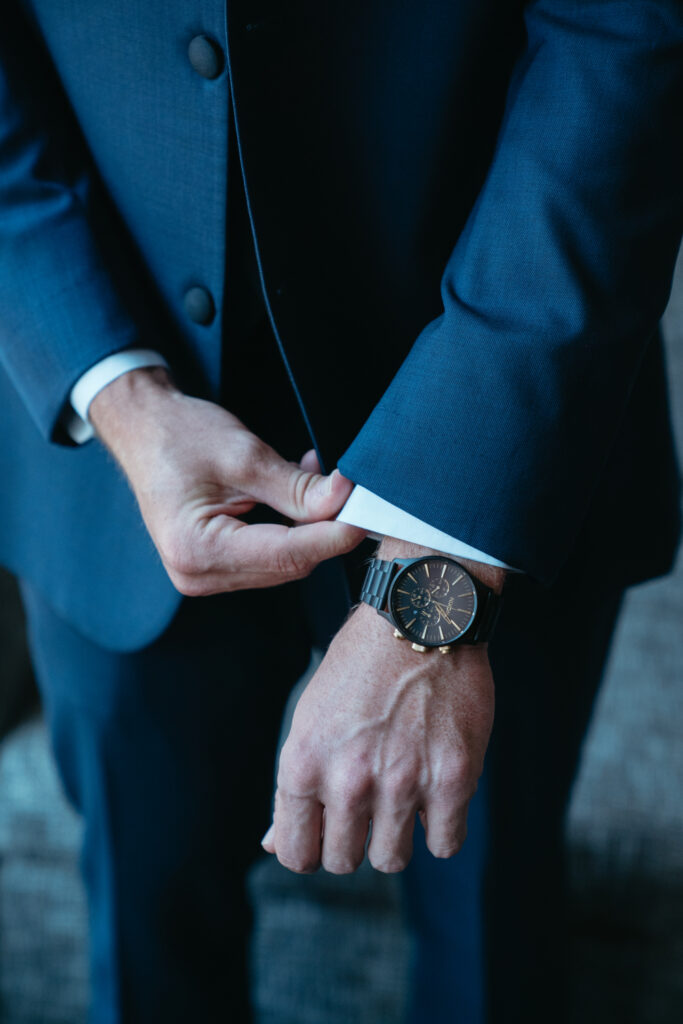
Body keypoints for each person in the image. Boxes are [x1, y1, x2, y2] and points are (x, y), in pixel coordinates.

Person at [1, 1, 681, 1022]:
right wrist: (117, 391)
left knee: (491, 938)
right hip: (113, 433)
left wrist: (433, 580)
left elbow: (623, 38)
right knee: (146, 935)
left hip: (510, 425)